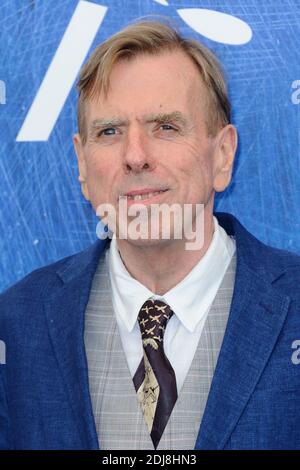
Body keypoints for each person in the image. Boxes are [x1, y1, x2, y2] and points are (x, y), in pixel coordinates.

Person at [0, 19, 300, 451]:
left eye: (166, 126)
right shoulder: (14, 327)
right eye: (109, 131)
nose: (135, 156)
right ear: (82, 167)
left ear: (223, 155)